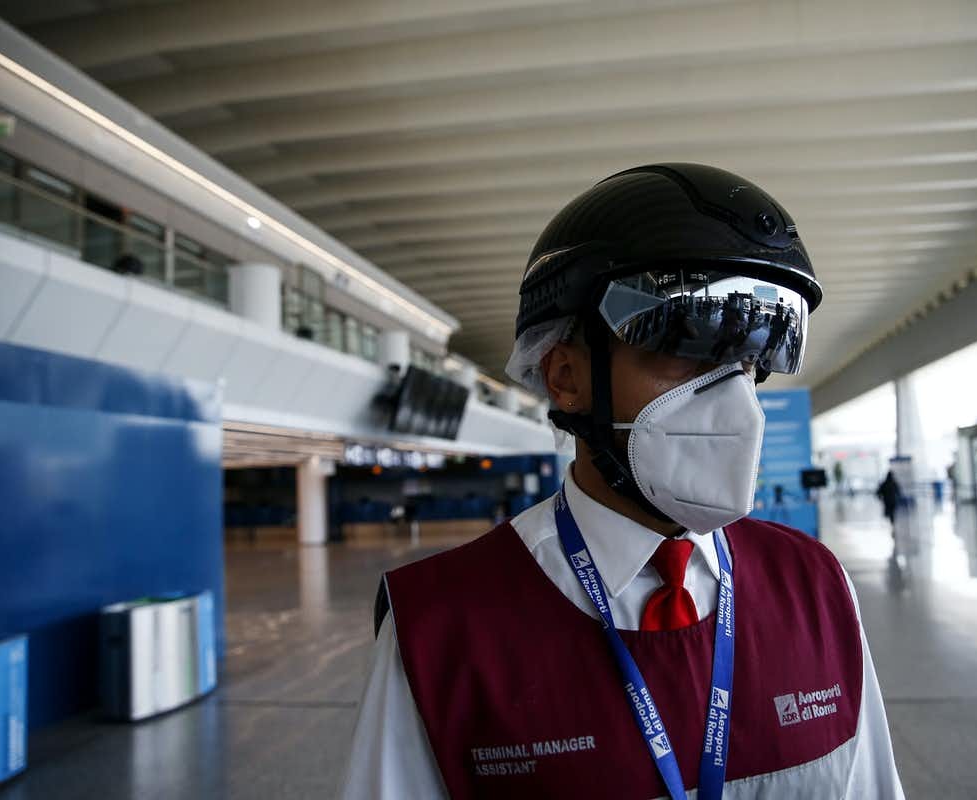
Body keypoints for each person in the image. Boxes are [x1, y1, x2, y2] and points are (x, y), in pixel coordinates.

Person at [342, 163, 904, 799]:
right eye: (682, 348)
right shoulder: (439, 630)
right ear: (566, 378)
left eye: (748, 364)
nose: (735, 402)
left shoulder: (819, 590)